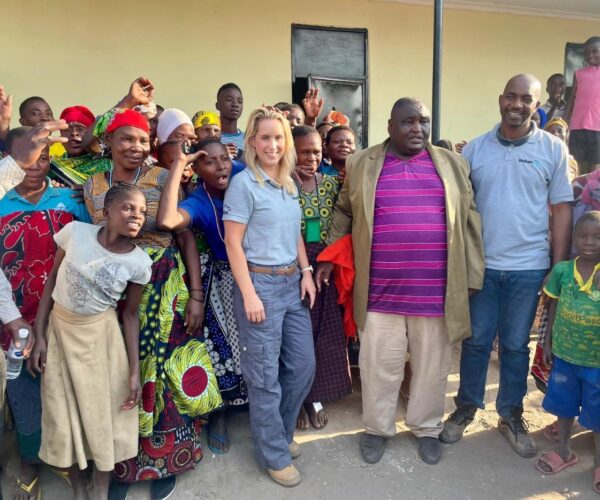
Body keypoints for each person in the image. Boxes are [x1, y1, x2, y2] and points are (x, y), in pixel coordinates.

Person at [316, 97, 484, 466]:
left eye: (423, 121)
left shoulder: (453, 164)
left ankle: (425, 427)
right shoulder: (362, 163)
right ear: (390, 126)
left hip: (435, 292)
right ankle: (377, 429)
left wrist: (472, 275)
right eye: (408, 122)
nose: (418, 129)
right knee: (379, 366)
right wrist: (330, 254)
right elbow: (344, 211)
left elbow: (470, 219)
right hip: (380, 292)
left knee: (432, 366)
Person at [84, 108, 220, 500]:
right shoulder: (92, 184)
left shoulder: (164, 177)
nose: (136, 147)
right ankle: (120, 465)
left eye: (143, 140)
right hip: (114, 289)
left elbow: (186, 237)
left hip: (164, 286)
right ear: (109, 142)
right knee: (120, 373)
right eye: (127, 138)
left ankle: (168, 460)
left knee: (165, 371)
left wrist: (195, 296)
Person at [441, 74, 573, 459]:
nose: (517, 104)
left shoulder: (552, 149)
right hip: (483, 266)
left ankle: (511, 414)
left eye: (526, 99)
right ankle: (466, 407)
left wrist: (558, 265)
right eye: (511, 97)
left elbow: (562, 209)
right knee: (476, 340)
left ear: (536, 105)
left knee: (516, 345)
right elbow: (460, 210)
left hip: (529, 266)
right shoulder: (476, 150)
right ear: (500, 100)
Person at [30, 185, 153, 500]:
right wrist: (40, 333)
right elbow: (51, 282)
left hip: (101, 339)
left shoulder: (139, 262)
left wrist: (134, 371)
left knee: (103, 414)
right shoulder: (75, 233)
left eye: (142, 212)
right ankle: (78, 486)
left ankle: (100, 488)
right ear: (106, 211)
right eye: (128, 208)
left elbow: (129, 316)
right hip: (59, 331)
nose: (136, 216)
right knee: (62, 410)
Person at [223, 107, 316, 487]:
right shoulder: (244, 185)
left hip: (292, 284)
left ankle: (275, 432)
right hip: (258, 285)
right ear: (252, 142)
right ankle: (274, 452)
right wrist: (249, 295)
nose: (273, 144)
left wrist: (307, 271)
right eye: (265, 137)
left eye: (279, 137)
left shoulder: (288, 183)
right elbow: (232, 242)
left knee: (302, 365)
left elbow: (295, 233)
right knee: (264, 378)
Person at [0, 132, 89, 500]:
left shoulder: (70, 200)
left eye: (44, 157)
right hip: (13, 318)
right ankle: (29, 460)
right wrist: (13, 320)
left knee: (66, 390)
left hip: (64, 316)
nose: (37, 165)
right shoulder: (2, 202)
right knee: (24, 392)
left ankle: (70, 461)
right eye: (30, 157)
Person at [156, 137, 247, 455]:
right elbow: (166, 221)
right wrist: (179, 164)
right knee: (222, 346)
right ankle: (220, 413)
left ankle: (253, 405)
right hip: (225, 276)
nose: (221, 165)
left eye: (224, 158)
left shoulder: (243, 174)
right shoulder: (199, 200)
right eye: (210, 161)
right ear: (196, 169)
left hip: (262, 272)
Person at [534, 211, 600, 495]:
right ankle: (564, 449)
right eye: (583, 236)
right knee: (563, 405)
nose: (590, 243)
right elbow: (551, 306)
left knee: (597, 414)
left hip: (596, 363)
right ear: (573, 239)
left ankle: (599, 462)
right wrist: (546, 343)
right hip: (564, 356)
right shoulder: (562, 271)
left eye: (597, 237)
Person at [292, 125, 351, 431]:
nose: (312, 157)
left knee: (325, 336)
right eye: (305, 151)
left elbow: (343, 220)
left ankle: (315, 398)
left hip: (326, 268)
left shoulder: (330, 184)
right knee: (297, 339)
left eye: (316, 151)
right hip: (293, 269)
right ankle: (298, 398)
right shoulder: (282, 186)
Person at [566, 37, 600, 174]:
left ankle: (591, 194)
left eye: (595, 51)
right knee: (575, 163)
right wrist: (565, 118)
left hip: (598, 128)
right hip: (577, 126)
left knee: (595, 165)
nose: (590, 56)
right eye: (587, 53)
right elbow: (572, 98)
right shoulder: (579, 74)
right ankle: (575, 191)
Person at [50, 105, 98, 185]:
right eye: (67, 130)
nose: (73, 133)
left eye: (80, 128)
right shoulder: (52, 166)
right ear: (61, 135)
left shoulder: (107, 164)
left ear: (91, 135)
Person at [216, 83, 244, 158]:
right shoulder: (212, 138)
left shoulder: (249, 139)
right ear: (217, 105)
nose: (235, 104)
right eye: (229, 100)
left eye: (240, 101)